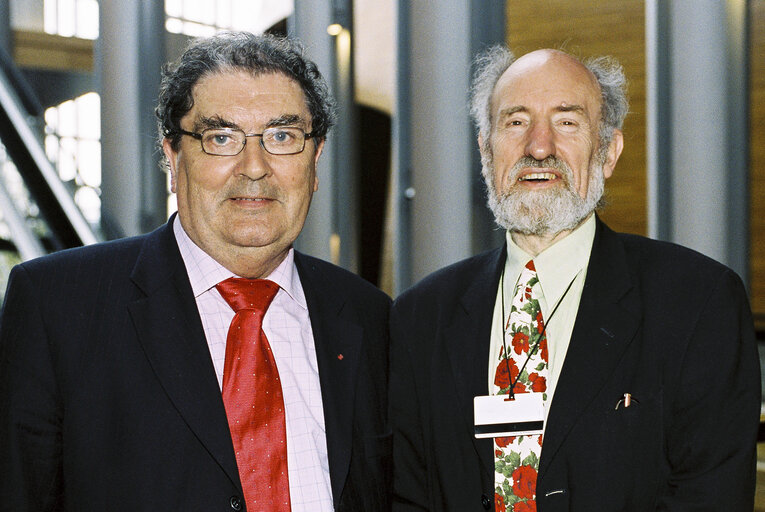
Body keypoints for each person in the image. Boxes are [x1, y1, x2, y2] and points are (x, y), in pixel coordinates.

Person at [0, 32, 391, 512]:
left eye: (283, 137)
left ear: (316, 158)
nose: (254, 167)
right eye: (221, 137)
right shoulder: (57, 306)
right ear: (172, 154)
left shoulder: (371, 319)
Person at [389, 46, 760, 511]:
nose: (539, 146)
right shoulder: (420, 316)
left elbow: (711, 496)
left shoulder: (698, 303)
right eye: (516, 122)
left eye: (566, 122)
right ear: (486, 151)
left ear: (607, 153)